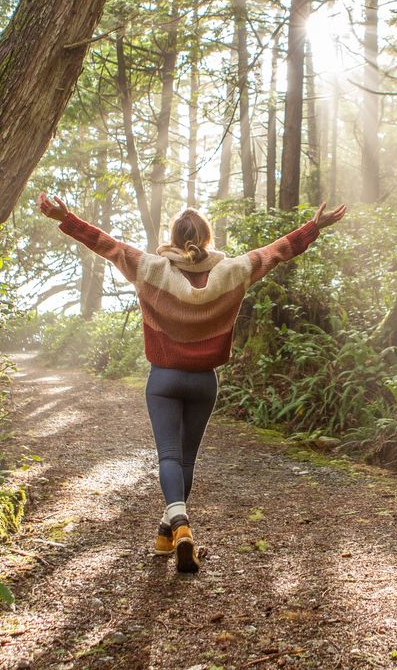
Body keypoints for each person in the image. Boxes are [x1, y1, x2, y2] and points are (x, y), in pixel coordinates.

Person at [37, 192, 347, 573]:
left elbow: (106, 245)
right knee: (186, 458)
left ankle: (179, 525)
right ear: (206, 238)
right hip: (204, 382)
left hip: (164, 379)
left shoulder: (149, 267)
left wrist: (65, 217)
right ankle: (167, 534)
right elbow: (276, 252)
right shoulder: (232, 270)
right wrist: (314, 227)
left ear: (174, 235)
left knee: (168, 456)